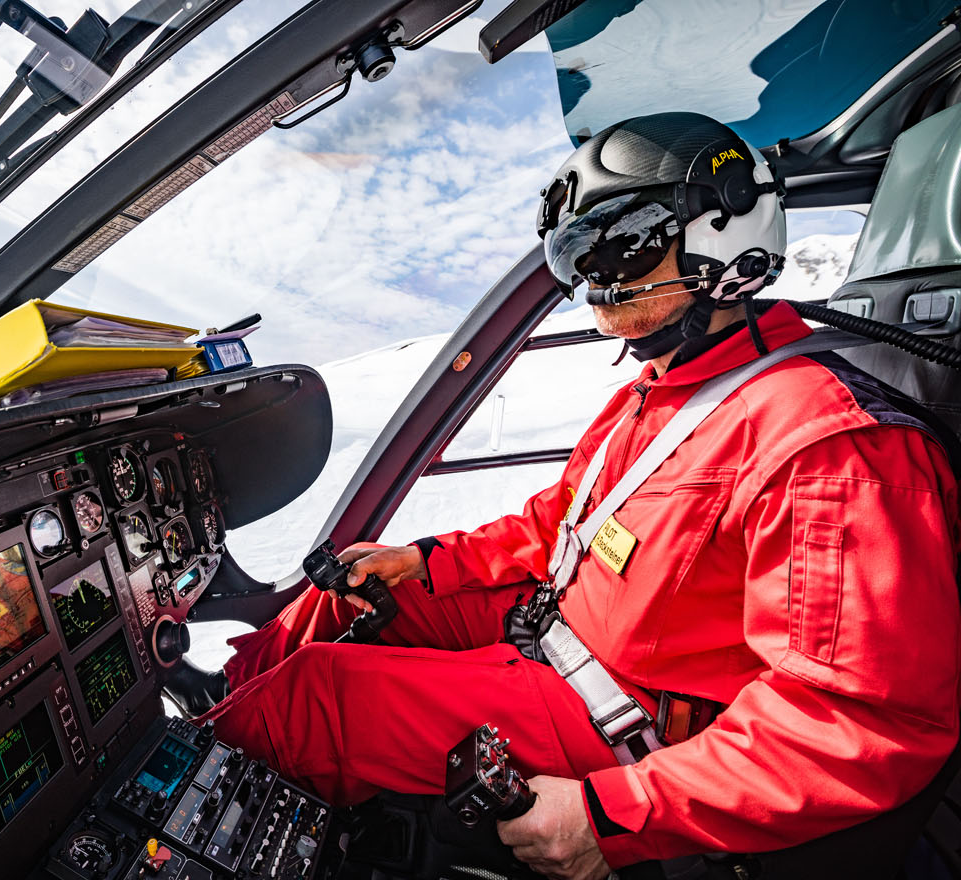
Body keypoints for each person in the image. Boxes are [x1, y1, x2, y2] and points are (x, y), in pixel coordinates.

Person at [177, 113, 961, 879]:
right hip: (562, 629)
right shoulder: (659, 395)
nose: (594, 284)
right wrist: (423, 561)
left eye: (620, 248)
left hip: (636, 724)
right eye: (579, 256)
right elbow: (558, 522)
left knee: (316, 695)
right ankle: (219, 712)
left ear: (723, 238)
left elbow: (862, 720)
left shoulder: (832, 446)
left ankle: (180, 796)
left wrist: (615, 814)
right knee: (347, 594)